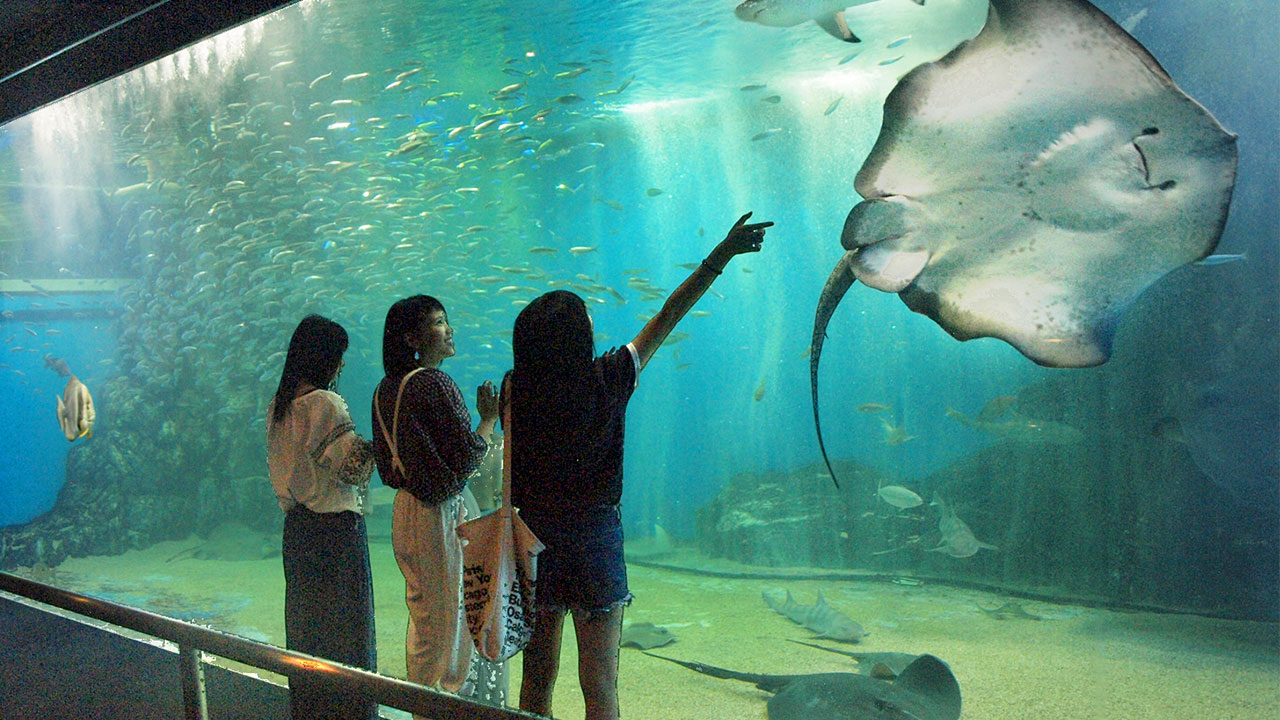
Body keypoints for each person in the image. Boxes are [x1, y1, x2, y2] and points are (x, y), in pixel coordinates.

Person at [507, 212, 772, 720]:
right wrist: (719, 256)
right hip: (595, 538)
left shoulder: (518, 388)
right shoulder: (611, 375)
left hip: (533, 537)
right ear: (576, 337)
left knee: (536, 682)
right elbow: (669, 315)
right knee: (600, 687)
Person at [370, 295, 501, 708]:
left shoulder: (385, 389)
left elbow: (386, 464)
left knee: (425, 618)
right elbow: (465, 456)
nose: (449, 330)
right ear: (413, 336)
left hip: (405, 510)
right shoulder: (433, 382)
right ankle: (448, 704)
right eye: (440, 322)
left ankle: (421, 702)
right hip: (440, 514)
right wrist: (488, 418)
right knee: (455, 619)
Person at [266, 314, 377, 720]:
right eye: (339, 355)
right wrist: (381, 443)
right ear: (324, 358)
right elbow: (353, 470)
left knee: (308, 637)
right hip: (335, 535)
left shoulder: (278, 407)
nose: (342, 364)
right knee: (346, 641)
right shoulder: (325, 404)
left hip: (297, 533)